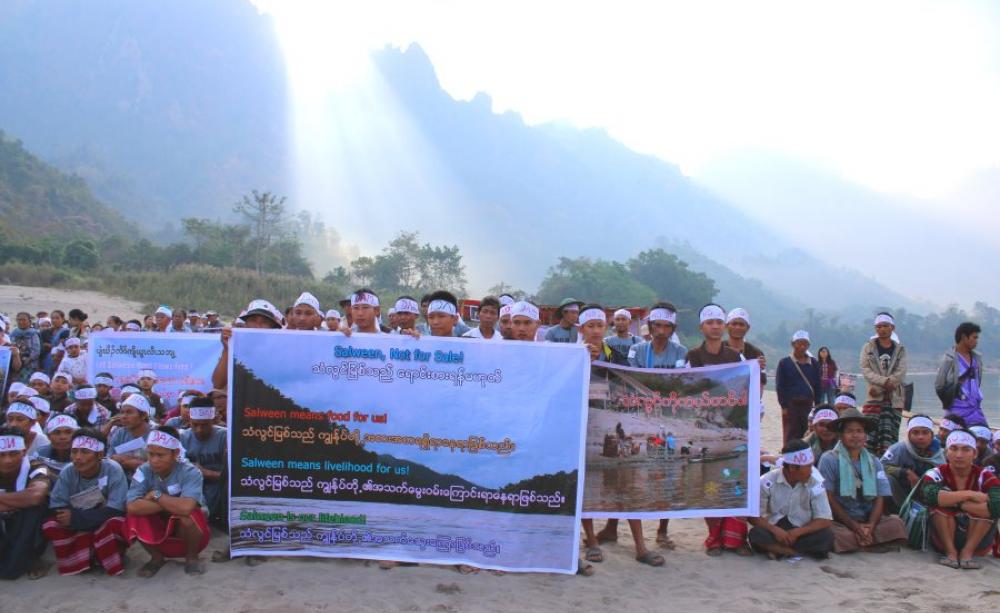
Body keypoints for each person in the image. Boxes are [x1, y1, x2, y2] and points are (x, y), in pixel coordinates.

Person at [578, 305, 664, 568]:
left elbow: (628, 380)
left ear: (606, 327)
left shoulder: (616, 356)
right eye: (590, 326)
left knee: (626, 484)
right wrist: (583, 359)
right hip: (581, 425)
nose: (595, 331)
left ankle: (640, 546)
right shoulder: (570, 354)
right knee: (585, 485)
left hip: (613, 422)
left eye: (599, 325)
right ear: (581, 329)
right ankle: (592, 541)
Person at [685, 304, 749, 556]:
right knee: (709, 484)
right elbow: (687, 388)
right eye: (709, 322)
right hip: (704, 423)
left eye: (718, 322)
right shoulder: (692, 356)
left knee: (734, 480)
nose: (714, 326)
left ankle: (735, 539)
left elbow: (748, 384)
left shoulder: (735, 357)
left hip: (730, 420)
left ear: (724, 326)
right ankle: (713, 538)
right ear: (701, 327)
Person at [42, 428, 130, 576]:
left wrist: (77, 518)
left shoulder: (113, 470)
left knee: (116, 523)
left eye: (84, 452)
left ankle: (102, 555)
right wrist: (73, 518)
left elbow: (117, 509)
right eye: (74, 451)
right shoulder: (68, 471)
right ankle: (83, 558)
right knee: (51, 525)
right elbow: (58, 506)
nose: (77, 457)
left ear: (99, 455)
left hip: (101, 520)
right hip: (79, 522)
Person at [818, 407, 907, 553]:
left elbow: (880, 496)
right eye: (850, 431)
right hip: (842, 520)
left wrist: (871, 525)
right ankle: (865, 540)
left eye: (859, 431)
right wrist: (854, 526)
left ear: (865, 435)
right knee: (834, 533)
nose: (855, 435)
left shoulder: (874, 461)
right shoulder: (829, 459)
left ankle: (865, 537)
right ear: (840, 435)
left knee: (897, 524)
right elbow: (828, 497)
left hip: (867, 517)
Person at [126, 426, 210, 577]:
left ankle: (192, 557)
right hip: (161, 519)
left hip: (190, 529)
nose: (154, 460)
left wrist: (157, 495)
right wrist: (170, 505)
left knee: (187, 515)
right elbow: (132, 506)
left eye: (160, 455)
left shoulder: (190, 471)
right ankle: (157, 558)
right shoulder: (143, 470)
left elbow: (186, 508)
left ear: (175, 453)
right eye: (150, 454)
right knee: (133, 517)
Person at [918, 429, 1000, 569]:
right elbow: (930, 496)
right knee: (939, 509)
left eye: (966, 449)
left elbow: (997, 505)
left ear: (975, 453)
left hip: (978, 540)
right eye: (954, 449)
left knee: (987, 512)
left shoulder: (984, 475)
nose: (959, 455)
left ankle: (967, 553)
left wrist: (955, 502)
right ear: (946, 452)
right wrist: (970, 495)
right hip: (941, 538)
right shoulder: (936, 473)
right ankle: (950, 552)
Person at [749, 439, 834, 559]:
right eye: (808, 466)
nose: (811, 470)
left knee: (826, 535)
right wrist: (774, 530)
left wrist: (798, 532)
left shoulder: (815, 482)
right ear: (793, 468)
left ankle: (778, 550)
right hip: (776, 528)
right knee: (756, 533)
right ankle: (793, 553)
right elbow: (753, 516)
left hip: (802, 529)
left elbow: (824, 519)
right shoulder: (767, 481)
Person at [0, 425, 56, 579]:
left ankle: (32, 558)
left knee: (36, 508)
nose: (7, 460)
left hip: (28, 525)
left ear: (24, 452)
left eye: (13, 454)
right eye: (1, 455)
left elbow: (35, 496)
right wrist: (18, 500)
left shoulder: (36, 467)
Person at [860, 312, 908, 455]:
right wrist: (884, 382)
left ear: (892, 327)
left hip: (894, 398)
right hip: (873, 397)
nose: (882, 329)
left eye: (885, 326)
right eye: (879, 326)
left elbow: (901, 370)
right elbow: (865, 370)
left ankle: (888, 463)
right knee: (869, 436)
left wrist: (890, 382)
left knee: (890, 436)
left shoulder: (900, 349)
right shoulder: (868, 348)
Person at [880, 414, 945, 512]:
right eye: (915, 432)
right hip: (901, 494)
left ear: (932, 435)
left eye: (925, 432)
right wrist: (906, 472)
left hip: (928, 496)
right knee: (884, 478)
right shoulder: (898, 449)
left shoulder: (939, 453)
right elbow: (880, 466)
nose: (920, 437)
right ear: (908, 435)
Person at [180, 399, 227, 529]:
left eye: (205, 425)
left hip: (218, 486)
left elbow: (235, 477)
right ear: (189, 420)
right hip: (192, 485)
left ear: (214, 421)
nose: (199, 430)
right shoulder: (183, 438)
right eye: (195, 424)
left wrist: (206, 473)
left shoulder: (225, 437)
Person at [935, 322, 986, 427]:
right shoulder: (949, 359)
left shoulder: (977, 359)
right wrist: (950, 402)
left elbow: (977, 383)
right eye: (974, 337)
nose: (976, 341)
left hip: (975, 411)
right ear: (964, 337)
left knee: (985, 434)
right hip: (956, 412)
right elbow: (939, 386)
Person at [776, 330, 821, 444]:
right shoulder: (784, 363)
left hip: (808, 404)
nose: (802, 346)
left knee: (808, 432)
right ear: (793, 344)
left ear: (808, 345)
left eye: (805, 344)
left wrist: (818, 404)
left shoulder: (814, 363)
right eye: (799, 343)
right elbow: (780, 386)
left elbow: (818, 385)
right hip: (791, 405)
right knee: (791, 433)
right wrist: (784, 406)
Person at [105, 393, 153, 476]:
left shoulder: (156, 434)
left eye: (129, 412)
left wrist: (125, 461)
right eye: (122, 412)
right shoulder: (119, 433)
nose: (124, 416)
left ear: (143, 415)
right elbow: (110, 461)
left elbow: (158, 466)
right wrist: (132, 462)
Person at [627, 303, 686, 369]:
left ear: (673, 328)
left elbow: (680, 373)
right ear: (649, 325)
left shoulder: (680, 351)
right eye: (658, 325)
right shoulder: (635, 350)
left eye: (667, 326)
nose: (661, 331)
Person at [723, 307, 767, 391]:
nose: (737, 327)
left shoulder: (757, 353)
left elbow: (761, 384)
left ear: (748, 327)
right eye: (734, 324)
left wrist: (758, 369)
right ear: (726, 326)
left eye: (741, 324)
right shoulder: (718, 350)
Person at [10, 312, 41, 383]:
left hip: (29, 364)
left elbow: (36, 350)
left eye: (24, 320)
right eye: (19, 320)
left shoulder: (33, 334)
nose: (21, 322)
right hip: (14, 364)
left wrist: (28, 359)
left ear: (29, 322)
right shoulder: (13, 333)